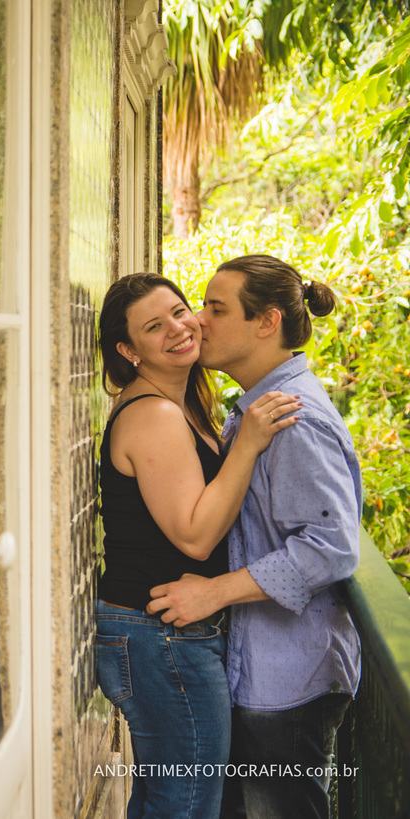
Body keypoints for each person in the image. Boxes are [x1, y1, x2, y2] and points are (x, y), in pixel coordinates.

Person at [147, 255, 361, 819]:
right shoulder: (260, 410)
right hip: (263, 673)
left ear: (266, 322)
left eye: (215, 309)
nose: (198, 321)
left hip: (288, 684)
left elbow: (332, 546)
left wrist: (213, 592)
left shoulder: (295, 419)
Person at [95, 272, 301, 819]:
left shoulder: (182, 401)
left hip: (162, 634)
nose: (179, 329)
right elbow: (196, 535)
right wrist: (249, 443)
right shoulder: (154, 414)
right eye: (153, 327)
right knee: (187, 805)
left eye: (180, 312)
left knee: (166, 800)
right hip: (157, 634)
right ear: (128, 349)